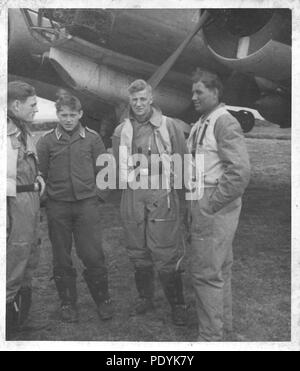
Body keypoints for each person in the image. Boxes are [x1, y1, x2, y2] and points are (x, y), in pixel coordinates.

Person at [112, 79, 188, 326]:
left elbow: (183, 163)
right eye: (134, 100)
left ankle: (177, 304)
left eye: (143, 99)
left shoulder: (169, 126)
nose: (139, 104)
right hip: (133, 193)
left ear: (151, 99)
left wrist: (186, 202)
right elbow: (116, 166)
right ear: (129, 101)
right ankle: (145, 297)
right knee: (137, 250)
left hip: (161, 193)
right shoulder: (121, 130)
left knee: (165, 250)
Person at [186, 69, 251, 341]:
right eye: (192, 92)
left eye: (199, 92)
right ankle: (224, 331)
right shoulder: (204, 121)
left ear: (215, 92)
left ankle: (210, 338)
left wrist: (212, 204)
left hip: (212, 203)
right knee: (219, 269)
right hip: (202, 199)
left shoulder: (223, 122)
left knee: (206, 273)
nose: (193, 97)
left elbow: (239, 171)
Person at [37, 94, 113, 323]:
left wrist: (97, 197)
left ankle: (103, 300)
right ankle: (68, 302)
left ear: (80, 114)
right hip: (58, 207)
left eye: (72, 115)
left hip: (86, 206)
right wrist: (46, 201)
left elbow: (106, 172)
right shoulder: (46, 141)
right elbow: (40, 174)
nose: (68, 119)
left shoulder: (92, 139)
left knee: (92, 255)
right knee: (61, 257)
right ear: (57, 115)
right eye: (63, 115)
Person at [6, 81, 45, 338]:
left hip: (30, 201)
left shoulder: (24, 131)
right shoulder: (4, 134)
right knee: (14, 261)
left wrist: (38, 176)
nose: (36, 110)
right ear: (16, 105)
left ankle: (21, 320)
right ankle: (7, 328)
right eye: (32, 105)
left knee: (30, 257)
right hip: (14, 204)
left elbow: (25, 163)